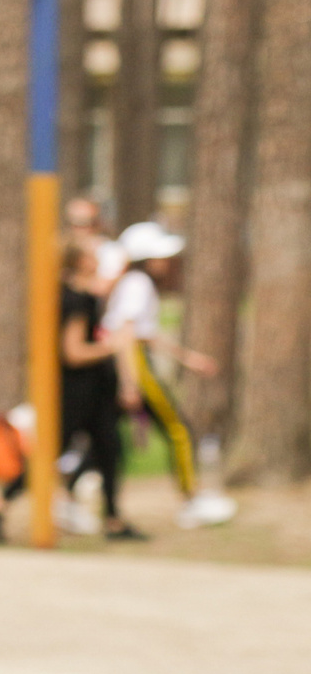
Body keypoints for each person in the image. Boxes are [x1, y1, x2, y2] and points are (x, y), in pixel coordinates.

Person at [0, 239, 137, 543]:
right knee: (49, 454)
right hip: (78, 394)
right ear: (79, 262)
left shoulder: (80, 295)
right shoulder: (75, 301)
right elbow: (73, 352)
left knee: (109, 450)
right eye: (91, 255)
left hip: (93, 394)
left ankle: (114, 521)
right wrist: (111, 347)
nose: (96, 260)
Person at [105, 221, 225, 529]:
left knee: (102, 437)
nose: (165, 262)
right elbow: (127, 334)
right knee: (179, 430)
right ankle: (191, 500)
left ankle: (70, 495)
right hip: (134, 364)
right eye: (160, 256)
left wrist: (187, 358)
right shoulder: (137, 284)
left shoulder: (134, 283)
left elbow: (146, 334)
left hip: (132, 361)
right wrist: (130, 383)